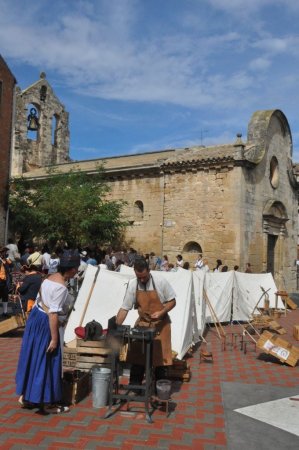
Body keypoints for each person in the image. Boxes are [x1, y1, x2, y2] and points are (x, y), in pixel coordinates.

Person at [15, 251, 80, 413]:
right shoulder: (62, 287)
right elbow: (53, 313)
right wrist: (54, 339)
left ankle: (28, 397)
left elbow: (40, 299)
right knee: (48, 360)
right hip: (45, 322)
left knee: (33, 356)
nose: (77, 271)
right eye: (76, 268)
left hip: (35, 318)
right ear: (71, 269)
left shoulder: (49, 277)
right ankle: (47, 402)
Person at [116, 257, 176, 388]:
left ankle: (159, 389)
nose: (142, 280)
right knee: (137, 358)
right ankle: (135, 386)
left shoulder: (160, 281)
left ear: (149, 271)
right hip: (143, 325)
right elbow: (124, 308)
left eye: (144, 277)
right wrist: (115, 327)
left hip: (161, 324)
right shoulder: (133, 285)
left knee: (160, 360)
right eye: (139, 278)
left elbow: (172, 301)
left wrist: (161, 312)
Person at [0, 247, 13, 318]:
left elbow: (12, 265)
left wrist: (7, 259)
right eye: (3, 252)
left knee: (5, 296)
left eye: (5, 252)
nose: (5, 253)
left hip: (5, 281)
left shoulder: (6, 260)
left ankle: (5, 312)